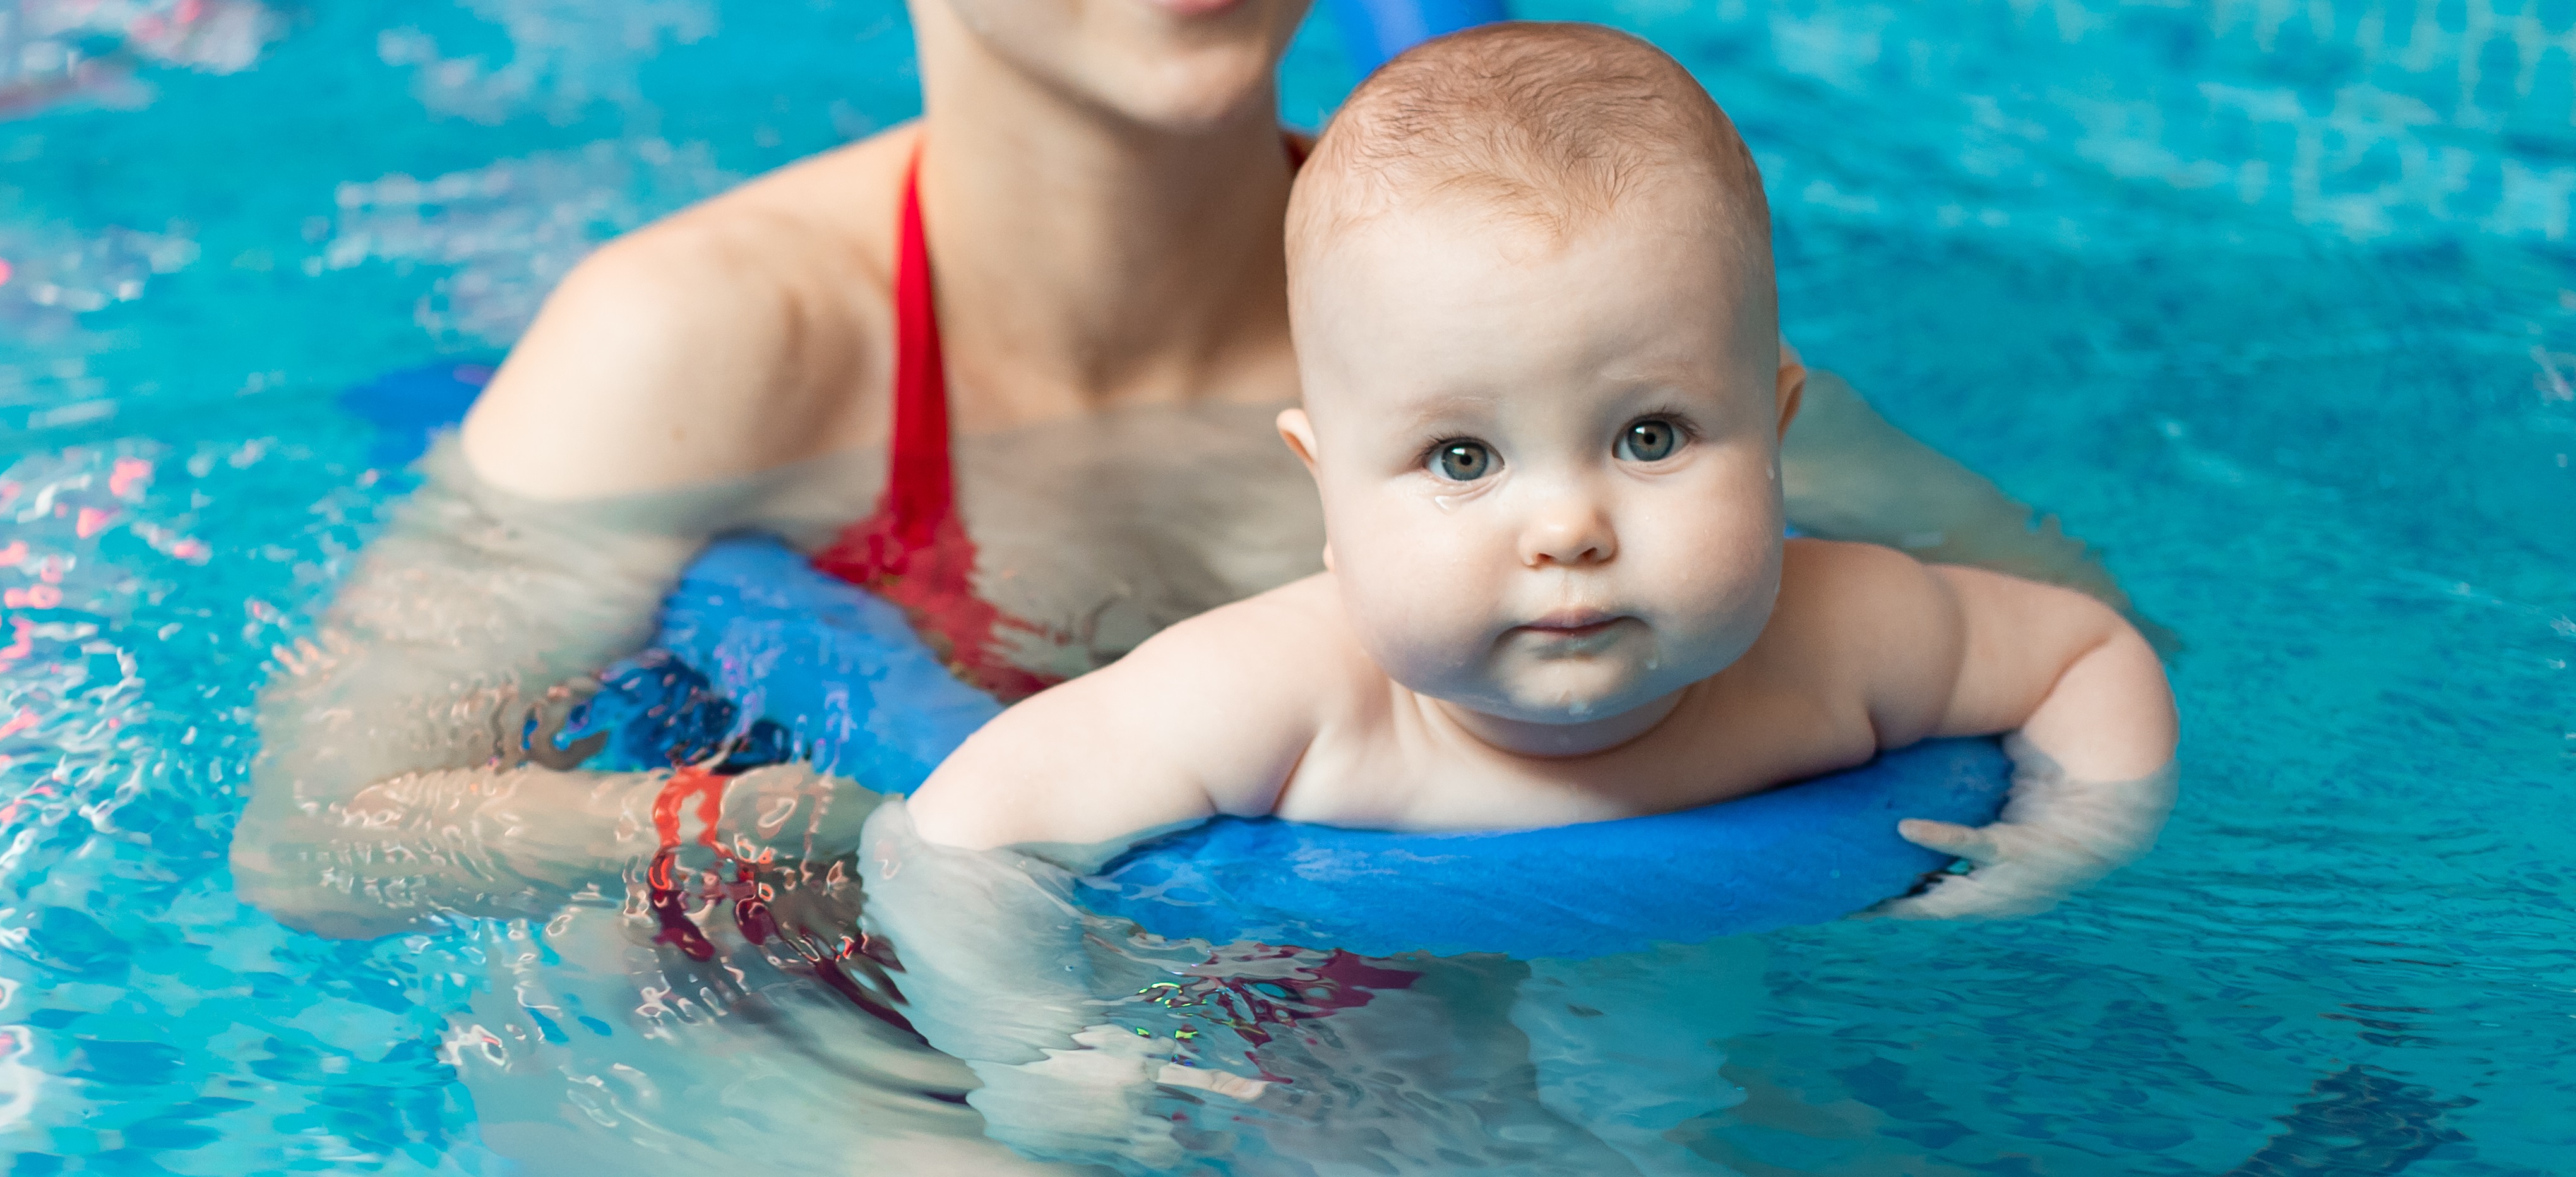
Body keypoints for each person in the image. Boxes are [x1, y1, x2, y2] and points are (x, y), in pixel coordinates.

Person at [228, 0, 2149, 1168]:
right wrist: (772, 825)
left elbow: (2055, 638)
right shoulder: (713, 341)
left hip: (1408, 1018)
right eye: (1463, 469)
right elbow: (322, 842)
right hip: (805, 1019)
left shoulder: (1540, 305)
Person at [866, 24, 2180, 1171]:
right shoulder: (1277, 699)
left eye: (1652, 435)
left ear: (1775, 435)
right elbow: (954, 840)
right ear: (1324, 495)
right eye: (1460, 458)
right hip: (1333, 1000)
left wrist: (2073, 835)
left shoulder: (1843, 640)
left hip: (1685, 977)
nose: (1565, 527)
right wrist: (1042, 1047)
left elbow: (2084, 656)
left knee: (1678, 1107)